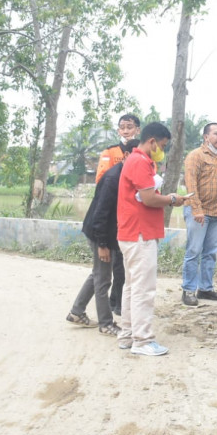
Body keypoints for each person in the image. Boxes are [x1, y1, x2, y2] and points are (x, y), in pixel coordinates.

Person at [116, 122, 187, 356]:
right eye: (162, 145)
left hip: (133, 232)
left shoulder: (139, 161)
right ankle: (143, 340)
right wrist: (172, 199)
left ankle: (127, 334)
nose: (162, 150)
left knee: (132, 286)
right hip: (140, 233)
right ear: (153, 141)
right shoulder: (140, 162)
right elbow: (148, 199)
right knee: (143, 289)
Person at [66, 138, 141, 335]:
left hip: (107, 233)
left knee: (98, 273)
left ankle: (76, 311)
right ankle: (106, 324)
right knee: (103, 278)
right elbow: (100, 214)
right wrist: (102, 244)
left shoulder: (127, 174)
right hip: (99, 233)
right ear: (127, 156)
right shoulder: (112, 178)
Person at [180, 122, 217, 307]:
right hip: (198, 212)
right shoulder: (195, 156)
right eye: (216, 134)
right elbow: (191, 184)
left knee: (210, 253)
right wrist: (197, 209)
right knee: (194, 251)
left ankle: (205, 288)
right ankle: (188, 290)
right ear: (206, 137)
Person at [96, 114, 141, 316]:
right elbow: (101, 179)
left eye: (129, 127)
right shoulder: (109, 152)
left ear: (137, 129)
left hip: (132, 211)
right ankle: (115, 301)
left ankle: (119, 299)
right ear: (118, 130)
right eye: (122, 127)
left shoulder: (142, 152)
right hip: (113, 211)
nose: (125, 131)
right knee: (114, 262)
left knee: (126, 262)